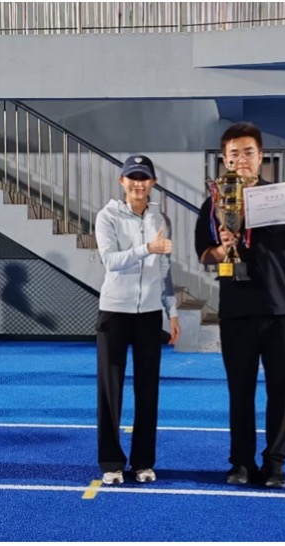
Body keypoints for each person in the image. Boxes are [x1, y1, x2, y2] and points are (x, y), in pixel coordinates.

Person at [195, 122, 285, 489]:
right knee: (240, 391)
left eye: (248, 152)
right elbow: (205, 255)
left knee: (281, 391)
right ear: (225, 159)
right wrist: (223, 248)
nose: (242, 159)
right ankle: (242, 462)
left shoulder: (284, 197)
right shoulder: (214, 201)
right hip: (237, 309)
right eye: (234, 154)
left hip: (281, 308)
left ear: (261, 156)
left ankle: (275, 464)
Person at [95, 154, 181, 485]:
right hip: (114, 312)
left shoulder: (161, 217)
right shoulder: (107, 216)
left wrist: (172, 311)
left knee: (148, 390)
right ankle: (111, 462)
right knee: (110, 390)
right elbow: (111, 261)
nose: (138, 183)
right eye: (132, 177)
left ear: (153, 183)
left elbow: (165, 269)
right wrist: (148, 247)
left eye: (144, 178)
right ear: (122, 181)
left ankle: (143, 462)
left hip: (149, 314)